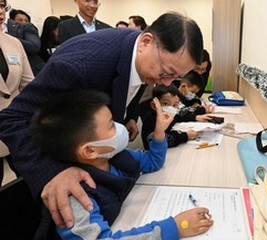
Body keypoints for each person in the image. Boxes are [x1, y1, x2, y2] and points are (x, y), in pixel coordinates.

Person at [0, 12, 203, 229]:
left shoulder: (145, 57)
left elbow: (132, 81)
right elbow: (12, 118)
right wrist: (52, 172)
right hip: (74, 187)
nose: (166, 81)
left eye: (175, 76)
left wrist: (130, 116)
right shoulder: (80, 65)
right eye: (166, 72)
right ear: (146, 41)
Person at [30, 90, 213, 239]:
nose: (120, 128)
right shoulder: (76, 196)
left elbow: (153, 162)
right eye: (111, 125)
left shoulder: (118, 157)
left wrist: (159, 132)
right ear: (89, 151)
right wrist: (174, 228)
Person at [0, 0, 34, 185]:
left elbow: (29, 85)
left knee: (28, 185)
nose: (0, 11)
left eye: (2, 5)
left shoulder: (14, 43)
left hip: (16, 129)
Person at [141, 84, 211, 150]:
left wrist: (195, 117)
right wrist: (185, 136)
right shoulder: (151, 119)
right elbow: (164, 141)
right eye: (165, 103)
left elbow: (179, 116)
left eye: (174, 105)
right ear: (154, 105)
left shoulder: (169, 115)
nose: (171, 108)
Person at [5, 7, 45, 75]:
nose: (24, 23)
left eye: (26, 20)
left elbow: (34, 46)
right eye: (20, 20)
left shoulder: (28, 28)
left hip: (32, 71)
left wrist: (8, 38)